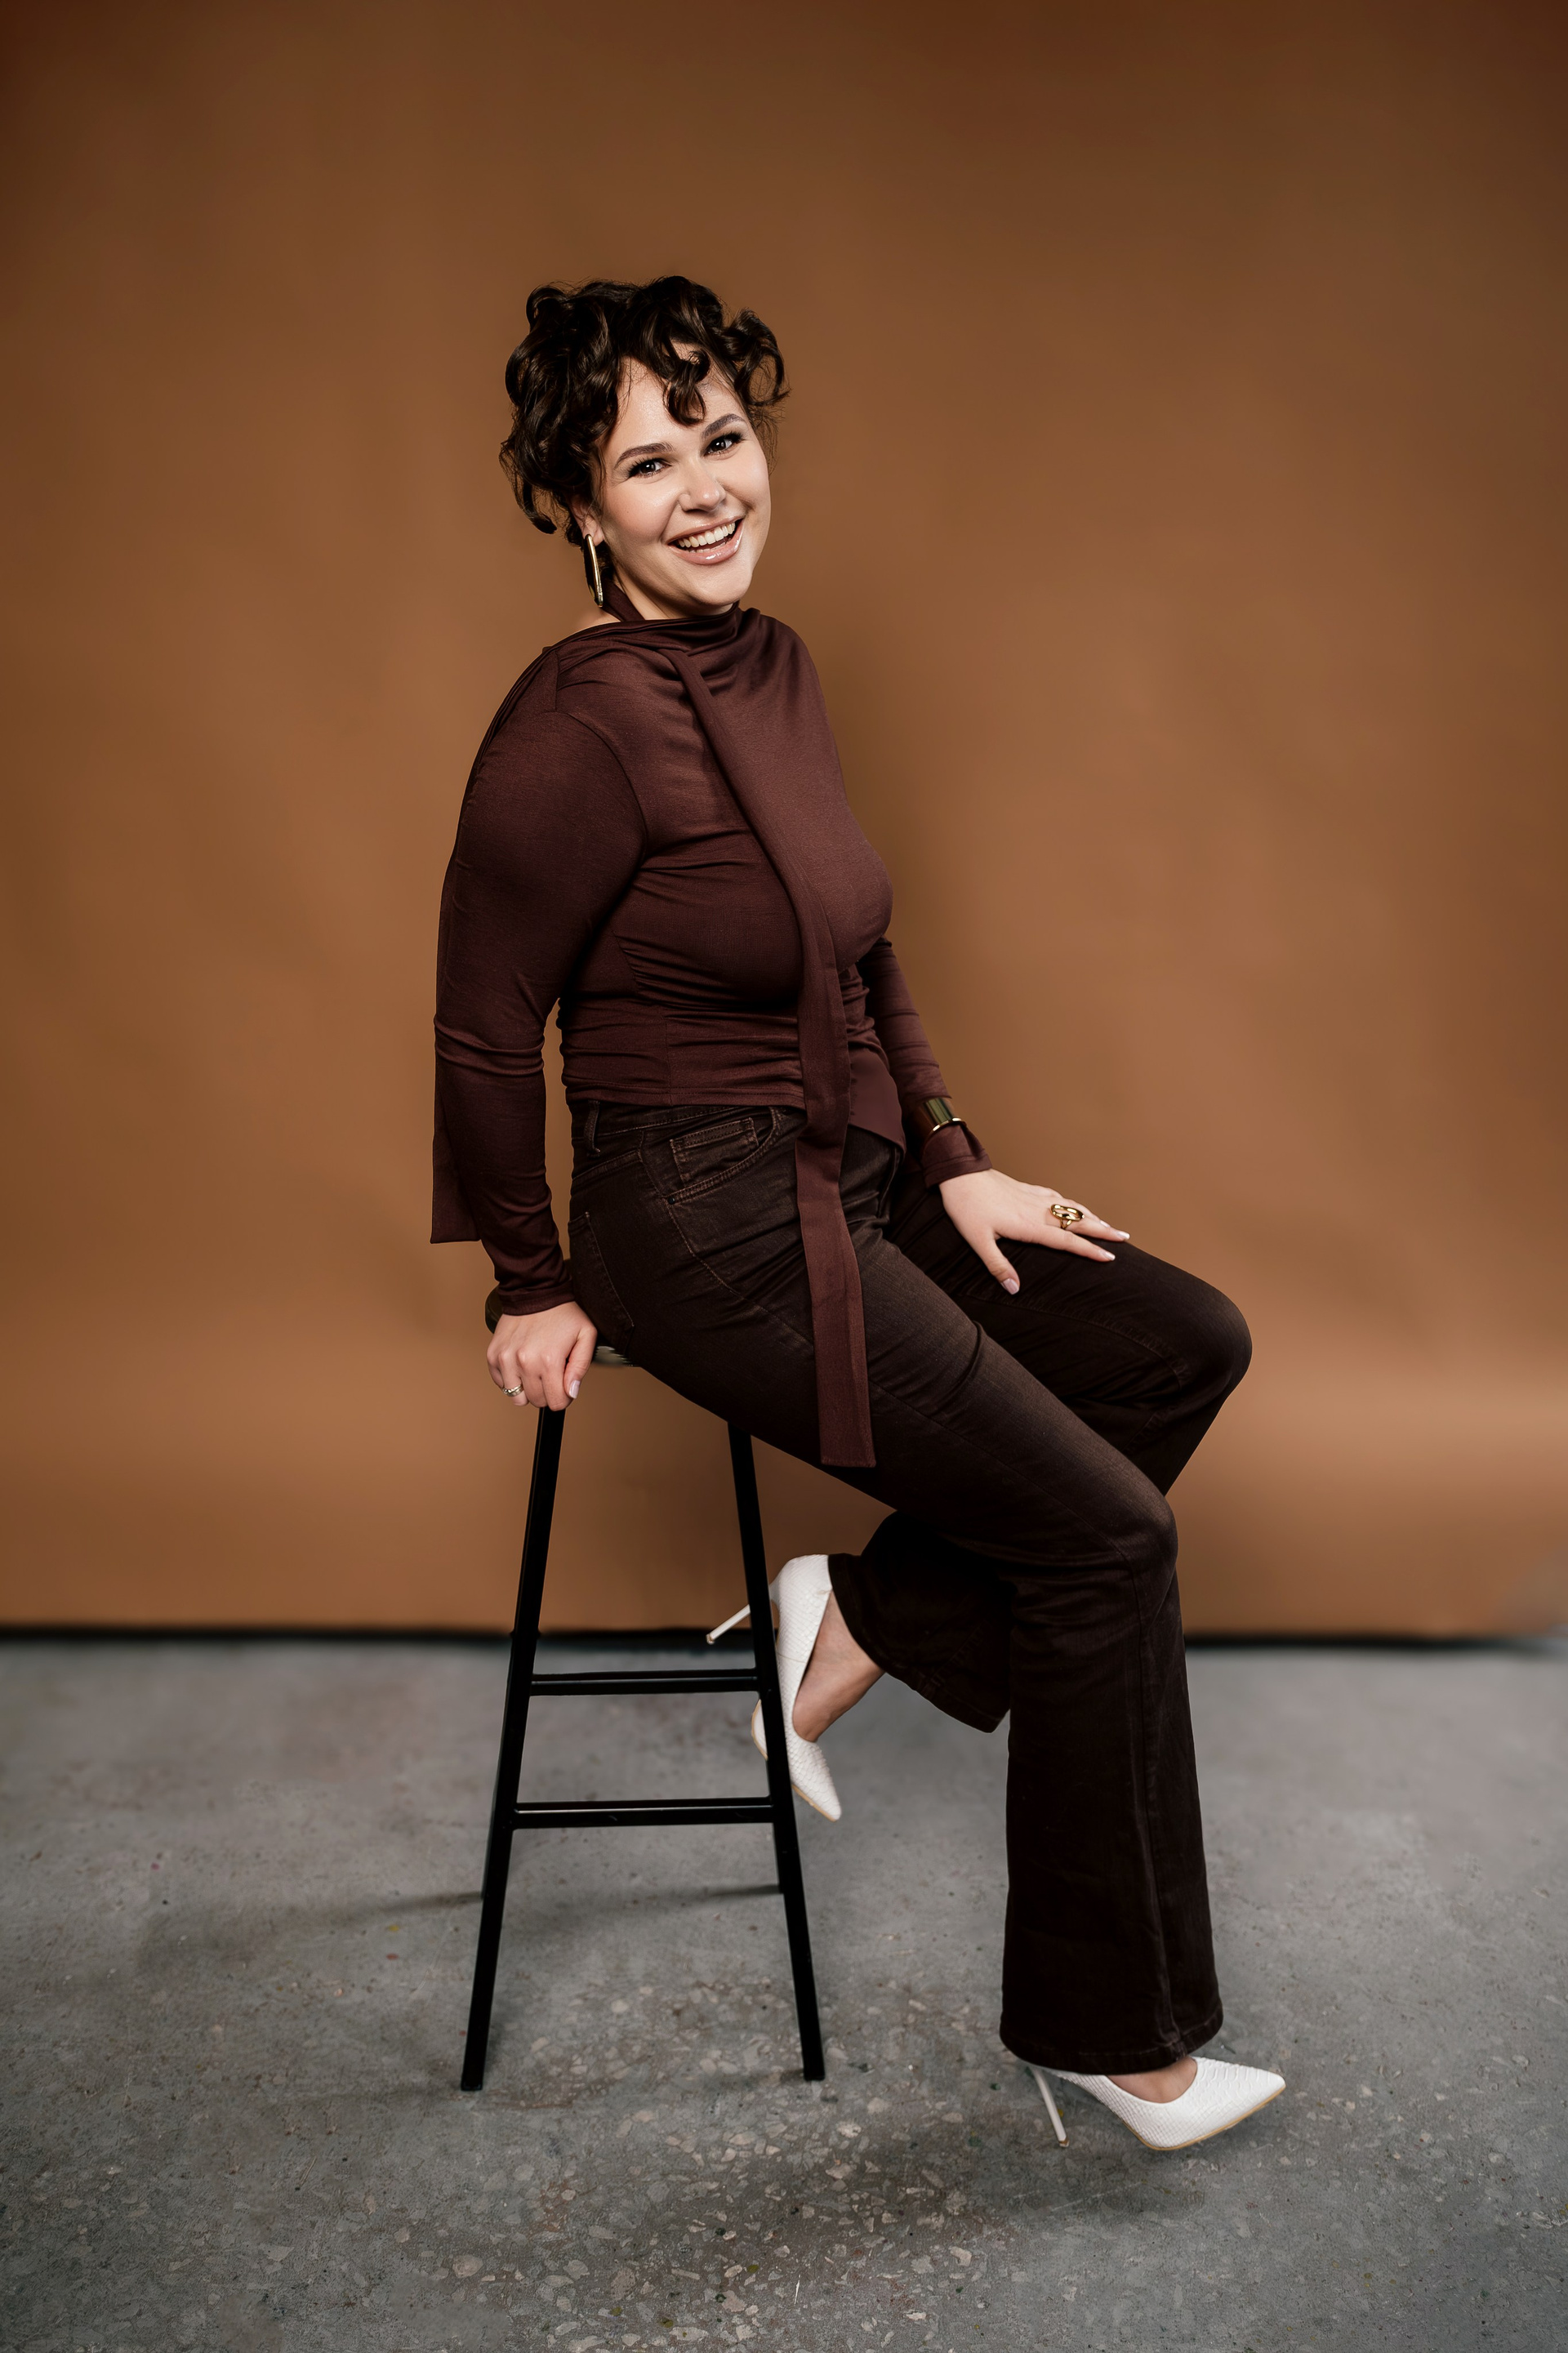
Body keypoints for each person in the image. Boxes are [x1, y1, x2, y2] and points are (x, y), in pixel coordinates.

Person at [432, 275, 1283, 2153]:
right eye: (647, 464)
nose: (705, 489)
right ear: (578, 507)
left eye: (722, 438)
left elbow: (856, 934)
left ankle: (856, 1615)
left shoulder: (779, 664)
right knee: (1108, 1539)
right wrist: (528, 1280)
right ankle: (1114, 2037)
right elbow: (483, 1023)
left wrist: (959, 1150)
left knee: (1180, 1343)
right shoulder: (574, 722)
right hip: (702, 1226)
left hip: (859, 1174)